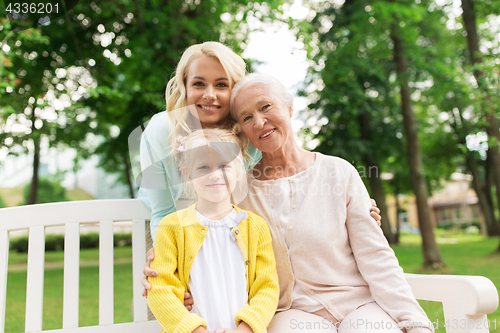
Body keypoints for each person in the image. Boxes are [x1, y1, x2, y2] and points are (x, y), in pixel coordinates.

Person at [139, 41, 382, 308]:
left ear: (234, 90)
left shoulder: (251, 134)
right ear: (184, 86)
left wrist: (347, 211)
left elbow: (277, 192)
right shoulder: (160, 131)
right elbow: (162, 213)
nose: (210, 94)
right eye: (198, 84)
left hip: (234, 235)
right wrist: (169, 259)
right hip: (172, 230)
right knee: (170, 302)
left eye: (221, 84)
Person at [147, 128, 279, 333]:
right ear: (187, 174)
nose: (215, 175)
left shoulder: (256, 227)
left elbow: (267, 287)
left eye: (224, 165)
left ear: (238, 170)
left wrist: (245, 330)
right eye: (203, 167)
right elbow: (160, 290)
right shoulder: (171, 227)